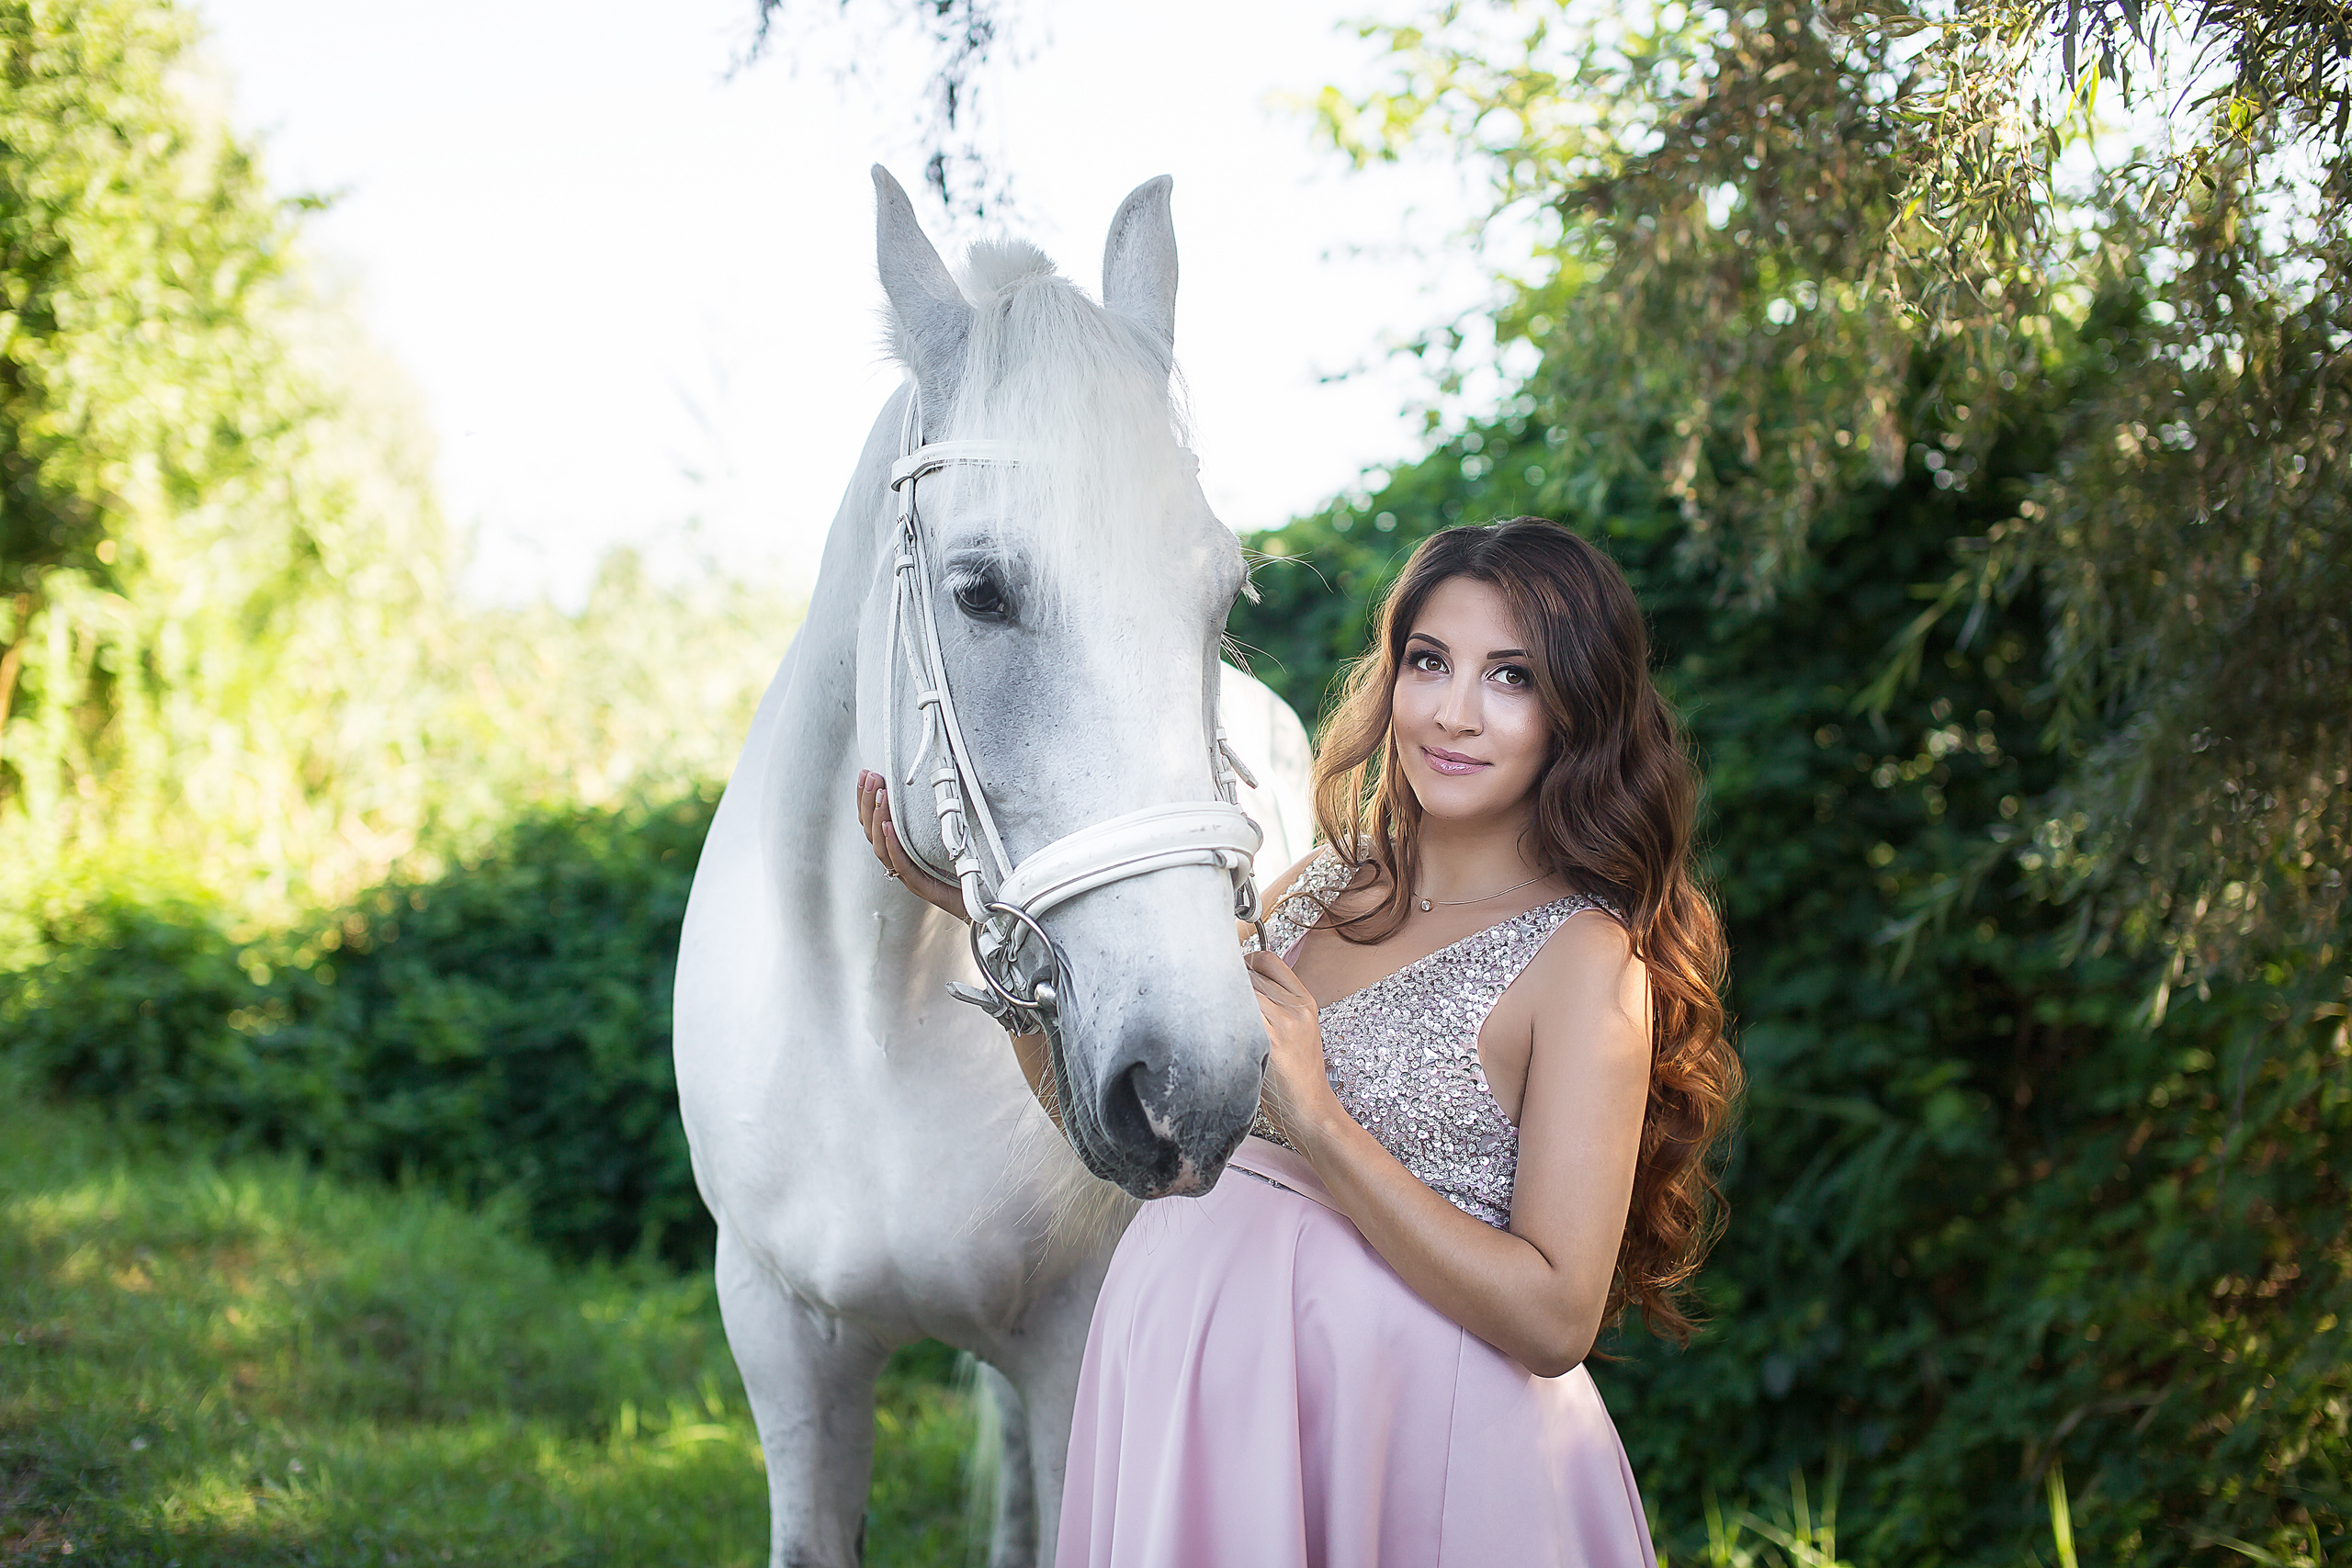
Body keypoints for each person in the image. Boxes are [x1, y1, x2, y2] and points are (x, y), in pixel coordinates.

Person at [855, 516, 1739, 1567]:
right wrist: (994, 929)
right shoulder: (1320, 886)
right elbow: (1140, 1137)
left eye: (1511, 676)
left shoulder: (1586, 959)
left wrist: (1317, 1119)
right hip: (1195, 1401)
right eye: (1429, 662)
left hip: (1399, 1445)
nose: (1452, 712)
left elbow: (1555, 1320)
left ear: (1577, 709)